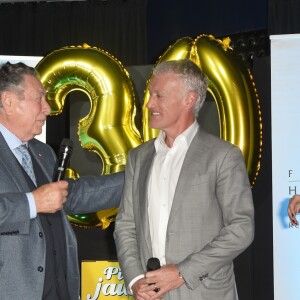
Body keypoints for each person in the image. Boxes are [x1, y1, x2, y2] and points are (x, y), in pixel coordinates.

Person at [114, 59, 254, 300]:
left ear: (189, 100)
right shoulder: (138, 157)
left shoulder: (223, 156)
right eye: (150, 95)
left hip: (206, 294)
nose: (149, 104)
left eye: (159, 96)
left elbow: (241, 228)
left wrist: (182, 272)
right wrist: (136, 280)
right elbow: (126, 224)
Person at [0, 62, 124, 299]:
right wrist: (32, 203)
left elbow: (72, 195)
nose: (48, 108)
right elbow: (39, 202)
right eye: (39, 98)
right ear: (8, 102)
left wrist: (140, 175)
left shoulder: (42, 152)